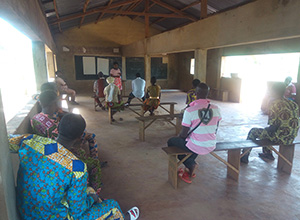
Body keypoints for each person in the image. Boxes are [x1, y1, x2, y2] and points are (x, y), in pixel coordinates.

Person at [8, 113, 140, 220]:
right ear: (80, 137)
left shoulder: (30, 141)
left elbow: (8, 141)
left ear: (58, 128)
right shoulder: (76, 168)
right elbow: (78, 212)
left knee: (88, 191)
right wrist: (91, 200)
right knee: (111, 206)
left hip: (26, 212)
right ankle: (125, 217)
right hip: (55, 216)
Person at [167, 83, 222, 183]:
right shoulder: (216, 108)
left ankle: (190, 163)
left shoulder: (190, 110)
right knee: (193, 141)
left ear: (195, 93)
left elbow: (183, 134)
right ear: (208, 93)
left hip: (197, 145)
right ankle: (188, 167)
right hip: (211, 144)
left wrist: (181, 138)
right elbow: (216, 128)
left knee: (172, 142)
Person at [240, 82, 299, 163]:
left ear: (273, 92)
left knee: (254, 131)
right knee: (266, 132)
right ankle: (267, 153)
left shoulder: (275, 104)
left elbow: (273, 127)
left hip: (281, 138)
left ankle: (244, 156)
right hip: (291, 137)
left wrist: (266, 130)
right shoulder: (293, 104)